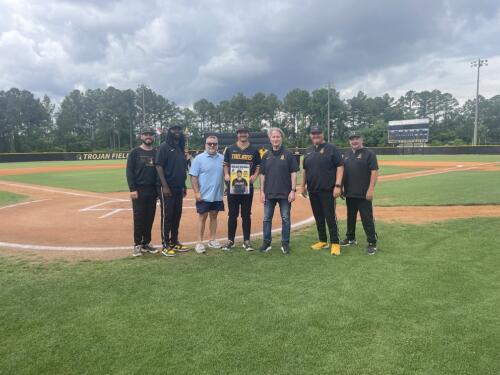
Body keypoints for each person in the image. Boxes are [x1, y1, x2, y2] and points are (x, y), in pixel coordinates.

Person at [301, 126, 344, 256]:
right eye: (313, 134)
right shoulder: (308, 150)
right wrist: (303, 186)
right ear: (310, 135)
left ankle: (335, 243)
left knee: (330, 217)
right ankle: (323, 240)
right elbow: (305, 170)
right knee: (318, 216)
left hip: (328, 189)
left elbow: (340, 166)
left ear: (323, 134)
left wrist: (338, 186)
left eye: (318, 133)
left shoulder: (332, 148)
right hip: (313, 190)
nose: (316, 136)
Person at [259, 128, 299, 255]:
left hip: (285, 194)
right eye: (273, 137)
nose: (275, 139)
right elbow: (262, 175)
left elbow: (293, 173)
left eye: (278, 137)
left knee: (286, 219)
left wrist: (293, 190)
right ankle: (266, 242)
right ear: (270, 139)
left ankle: (285, 243)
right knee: (266, 219)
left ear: (281, 138)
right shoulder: (266, 155)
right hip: (269, 193)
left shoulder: (288, 154)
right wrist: (261, 191)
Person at [222, 125, 261, 251]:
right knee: (232, 214)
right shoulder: (230, 149)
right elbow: (226, 164)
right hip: (233, 187)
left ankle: (247, 240)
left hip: (247, 187)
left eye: (244, 132)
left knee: (246, 214)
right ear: (237, 134)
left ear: (248, 134)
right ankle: (231, 240)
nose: (242, 134)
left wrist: (255, 176)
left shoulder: (254, 150)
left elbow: (258, 166)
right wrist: (226, 174)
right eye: (240, 133)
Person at [341, 131, 379, 255]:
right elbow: (343, 172)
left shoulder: (369, 154)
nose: (354, 141)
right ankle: (351, 238)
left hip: (364, 194)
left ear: (362, 139)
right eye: (352, 139)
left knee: (367, 218)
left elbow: (374, 172)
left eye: (357, 138)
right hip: (350, 193)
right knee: (350, 218)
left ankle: (372, 242)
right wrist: (341, 187)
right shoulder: (346, 154)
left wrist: (370, 189)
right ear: (349, 141)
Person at [155, 123, 189, 257]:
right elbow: (158, 166)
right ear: (169, 131)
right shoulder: (164, 147)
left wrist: (184, 185)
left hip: (178, 187)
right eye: (174, 129)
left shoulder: (180, 147)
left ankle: (174, 241)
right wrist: (165, 186)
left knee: (177, 215)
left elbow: (181, 168)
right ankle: (165, 244)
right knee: (167, 215)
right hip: (167, 187)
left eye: (179, 129)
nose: (177, 131)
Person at [126, 127, 159, 257]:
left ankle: (146, 243)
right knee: (139, 218)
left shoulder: (156, 152)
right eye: (146, 134)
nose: (148, 137)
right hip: (138, 190)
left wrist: (157, 190)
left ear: (154, 137)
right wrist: (132, 189)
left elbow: (158, 172)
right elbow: (129, 172)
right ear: (141, 136)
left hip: (152, 190)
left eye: (151, 134)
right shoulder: (134, 152)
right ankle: (137, 244)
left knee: (150, 217)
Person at [189, 135, 225, 254]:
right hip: (204, 195)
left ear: (217, 145)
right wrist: (196, 192)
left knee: (214, 216)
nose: (212, 145)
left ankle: (212, 240)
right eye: (209, 143)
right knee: (202, 216)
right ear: (205, 144)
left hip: (217, 194)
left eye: (214, 143)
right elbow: (193, 177)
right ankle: (199, 242)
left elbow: (226, 175)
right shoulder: (199, 159)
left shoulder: (222, 158)